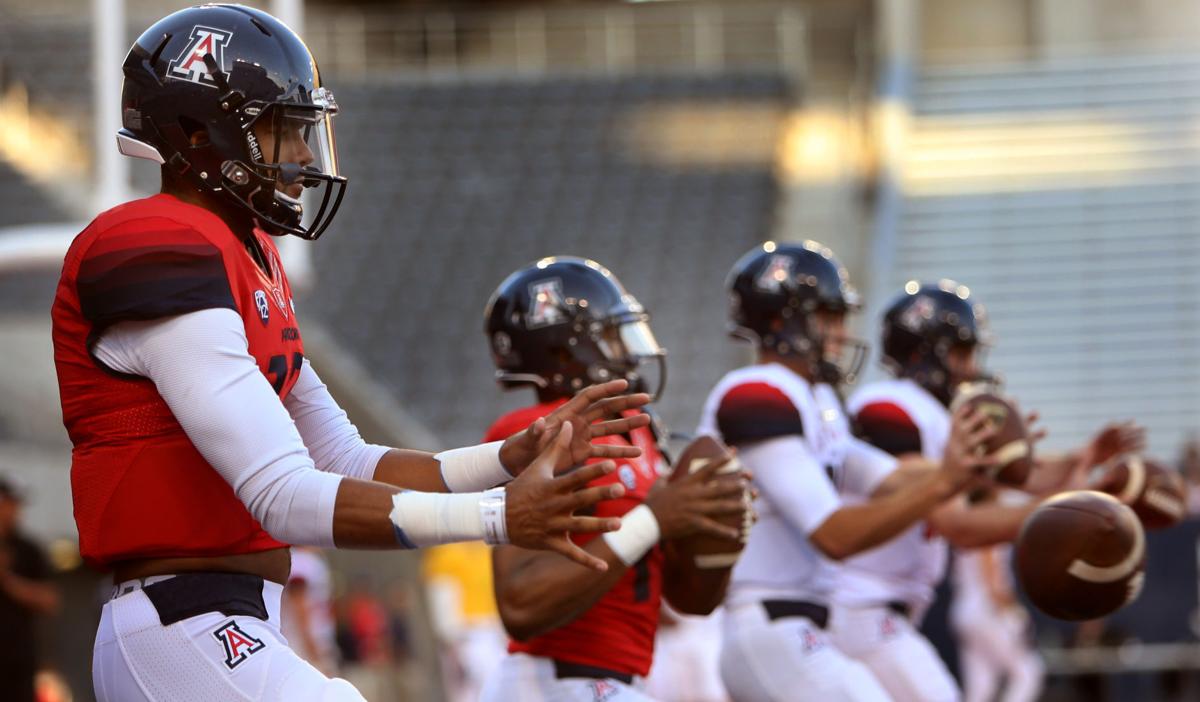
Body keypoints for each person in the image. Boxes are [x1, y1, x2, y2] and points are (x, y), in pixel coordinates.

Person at [51, 6, 650, 701]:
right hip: (177, 621)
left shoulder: (249, 256)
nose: (302, 157)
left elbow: (343, 458)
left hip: (221, 619)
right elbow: (282, 495)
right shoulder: (153, 245)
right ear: (197, 132)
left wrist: (505, 463)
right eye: (282, 129)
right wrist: (497, 518)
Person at [697, 241, 996, 702]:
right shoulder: (756, 392)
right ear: (782, 321)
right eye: (829, 318)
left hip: (798, 624)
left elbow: (889, 478)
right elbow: (834, 535)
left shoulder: (814, 401)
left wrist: (976, 468)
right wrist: (946, 481)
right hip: (766, 622)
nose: (841, 333)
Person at [835, 280, 1145, 702]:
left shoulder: (932, 416)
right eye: (963, 352)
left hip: (879, 612)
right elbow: (957, 523)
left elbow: (1020, 476)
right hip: (859, 607)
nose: (972, 366)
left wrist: (1080, 461)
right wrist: (1067, 510)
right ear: (927, 354)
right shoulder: (890, 407)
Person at [479, 257, 752, 700]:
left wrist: (716, 532)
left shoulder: (637, 427)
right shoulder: (540, 430)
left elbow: (690, 602)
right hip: (556, 681)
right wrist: (653, 520)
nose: (629, 350)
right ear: (564, 351)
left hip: (613, 681)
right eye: (611, 335)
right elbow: (519, 602)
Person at [0, 477, 60, 702]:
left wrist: (8, 580)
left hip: (17, 664)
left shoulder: (28, 550)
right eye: (9, 503)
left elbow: (50, 601)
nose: (14, 510)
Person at [281, 547, 339, 676]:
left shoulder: (307, 560)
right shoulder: (302, 561)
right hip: (302, 643)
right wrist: (312, 647)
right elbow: (298, 606)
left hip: (307, 641)